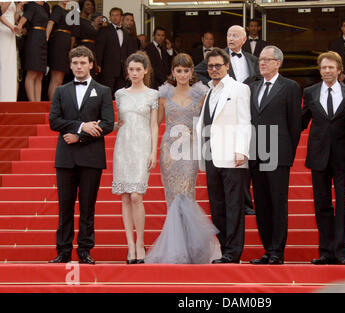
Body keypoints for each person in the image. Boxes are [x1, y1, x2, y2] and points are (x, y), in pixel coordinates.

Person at [145, 53, 221, 264]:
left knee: (185, 195)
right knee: (172, 198)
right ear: (172, 72)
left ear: (191, 72)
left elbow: (206, 123)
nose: (182, 74)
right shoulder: (164, 94)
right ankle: (177, 249)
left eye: (186, 70)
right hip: (169, 151)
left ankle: (191, 248)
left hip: (190, 149)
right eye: (178, 70)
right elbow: (155, 123)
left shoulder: (201, 93)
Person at [48, 46, 115, 264]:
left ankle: (85, 250)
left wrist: (80, 136)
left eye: (83, 63)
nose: (79, 66)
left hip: (91, 157)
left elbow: (106, 124)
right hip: (65, 158)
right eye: (75, 63)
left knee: (88, 207)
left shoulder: (103, 91)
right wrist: (81, 126)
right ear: (70, 65)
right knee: (64, 207)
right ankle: (63, 250)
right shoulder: (60, 90)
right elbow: (54, 121)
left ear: (91, 65)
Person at [301, 51, 345, 265]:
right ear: (319, 70)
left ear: (339, 70)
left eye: (331, 67)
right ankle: (326, 251)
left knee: (343, 203)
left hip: (342, 155)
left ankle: (342, 252)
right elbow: (302, 120)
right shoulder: (310, 92)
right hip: (318, 156)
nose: (326, 71)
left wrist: (342, 133)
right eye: (323, 68)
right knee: (321, 204)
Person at [195, 25, 259, 215]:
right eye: (229, 35)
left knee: (240, 173)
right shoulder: (218, 58)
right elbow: (199, 70)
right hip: (217, 141)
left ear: (244, 39)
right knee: (219, 198)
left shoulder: (252, 60)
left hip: (245, 108)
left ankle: (246, 202)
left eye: (235, 35)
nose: (231, 38)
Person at [195, 48, 252, 264]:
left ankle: (233, 252)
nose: (214, 69)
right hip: (211, 155)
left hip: (232, 155)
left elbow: (245, 121)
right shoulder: (209, 90)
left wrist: (242, 150)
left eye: (218, 65)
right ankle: (224, 248)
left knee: (233, 206)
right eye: (210, 66)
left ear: (227, 66)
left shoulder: (239, 89)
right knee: (217, 205)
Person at [248, 46, 302, 265]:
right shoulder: (252, 87)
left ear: (278, 62)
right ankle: (268, 249)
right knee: (261, 203)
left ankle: (278, 251)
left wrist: (287, 152)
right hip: (256, 151)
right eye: (260, 59)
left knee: (277, 203)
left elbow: (294, 124)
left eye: (267, 60)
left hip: (277, 152)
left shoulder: (290, 87)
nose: (262, 63)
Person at [112, 53, 159, 264]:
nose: (134, 73)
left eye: (138, 69)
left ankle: (140, 243)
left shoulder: (153, 95)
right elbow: (117, 121)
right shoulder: (119, 94)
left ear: (145, 71)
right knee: (124, 196)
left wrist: (153, 151)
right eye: (131, 70)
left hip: (142, 146)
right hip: (123, 146)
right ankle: (130, 246)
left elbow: (154, 125)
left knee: (136, 196)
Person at [95, 7, 136, 96]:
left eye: (117, 15)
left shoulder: (125, 33)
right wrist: (98, 64)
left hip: (122, 71)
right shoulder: (104, 30)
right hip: (108, 70)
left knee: (120, 95)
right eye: (112, 15)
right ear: (109, 17)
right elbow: (99, 48)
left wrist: (129, 69)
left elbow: (128, 53)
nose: (114, 17)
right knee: (106, 94)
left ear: (121, 17)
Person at [16, 1, 49, 102]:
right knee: (32, 72)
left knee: (39, 74)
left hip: (42, 40)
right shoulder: (32, 5)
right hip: (34, 38)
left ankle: (37, 102)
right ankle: (32, 102)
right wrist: (19, 26)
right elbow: (24, 18)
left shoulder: (45, 7)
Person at [47, 1, 76, 101]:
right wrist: (45, 40)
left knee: (60, 78)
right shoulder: (57, 8)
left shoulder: (71, 12)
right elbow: (51, 23)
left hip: (66, 45)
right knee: (56, 77)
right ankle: (52, 104)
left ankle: (55, 103)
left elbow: (74, 31)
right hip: (58, 43)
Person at [0, 2, 19, 101]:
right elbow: (1, 12)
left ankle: (10, 97)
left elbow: (13, 17)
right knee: (4, 61)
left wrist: (19, 6)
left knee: (10, 63)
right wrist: (10, 26)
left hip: (10, 32)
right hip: (3, 30)